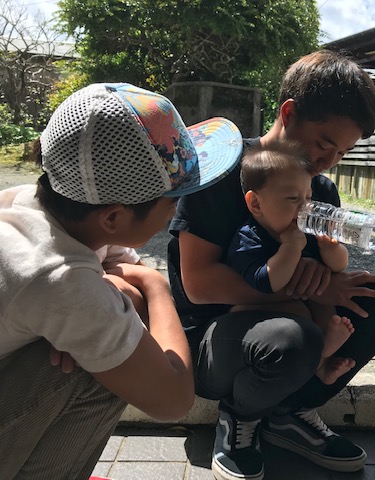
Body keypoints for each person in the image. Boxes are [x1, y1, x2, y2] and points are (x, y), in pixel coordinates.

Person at [167, 49, 375, 480]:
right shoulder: (222, 173)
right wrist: (311, 289)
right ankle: (241, 415)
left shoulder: (319, 189)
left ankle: (290, 413)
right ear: (289, 113)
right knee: (291, 337)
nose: (328, 161)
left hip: (291, 318)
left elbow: (328, 268)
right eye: (324, 143)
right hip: (215, 340)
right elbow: (198, 284)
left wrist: (330, 278)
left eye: (343, 152)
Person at [0, 82, 242, 479]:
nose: (175, 211)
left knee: (119, 323)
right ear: (113, 217)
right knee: (109, 360)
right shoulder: (59, 276)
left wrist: (122, 293)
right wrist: (155, 285)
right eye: (171, 203)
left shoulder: (44, 205)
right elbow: (173, 399)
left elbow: (117, 274)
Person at [227, 139, 356, 385]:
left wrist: (330, 248)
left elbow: (339, 267)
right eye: (293, 199)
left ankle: (321, 364)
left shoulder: (303, 230)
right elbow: (267, 282)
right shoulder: (249, 238)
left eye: (308, 197)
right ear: (256, 204)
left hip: (300, 305)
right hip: (257, 312)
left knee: (324, 303)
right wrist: (291, 248)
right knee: (299, 311)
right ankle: (321, 357)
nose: (305, 208)